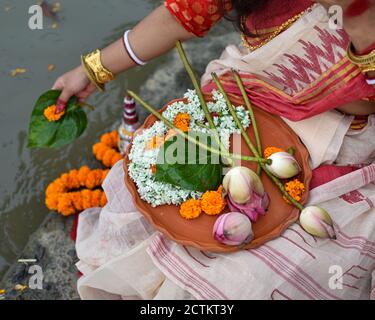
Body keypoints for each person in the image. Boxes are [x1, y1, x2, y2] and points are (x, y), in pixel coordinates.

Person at [54, 1, 375, 299]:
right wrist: (92, 70)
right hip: (247, 92)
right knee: (133, 197)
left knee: (250, 277)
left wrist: (357, 14)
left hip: (338, 134)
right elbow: (179, 15)